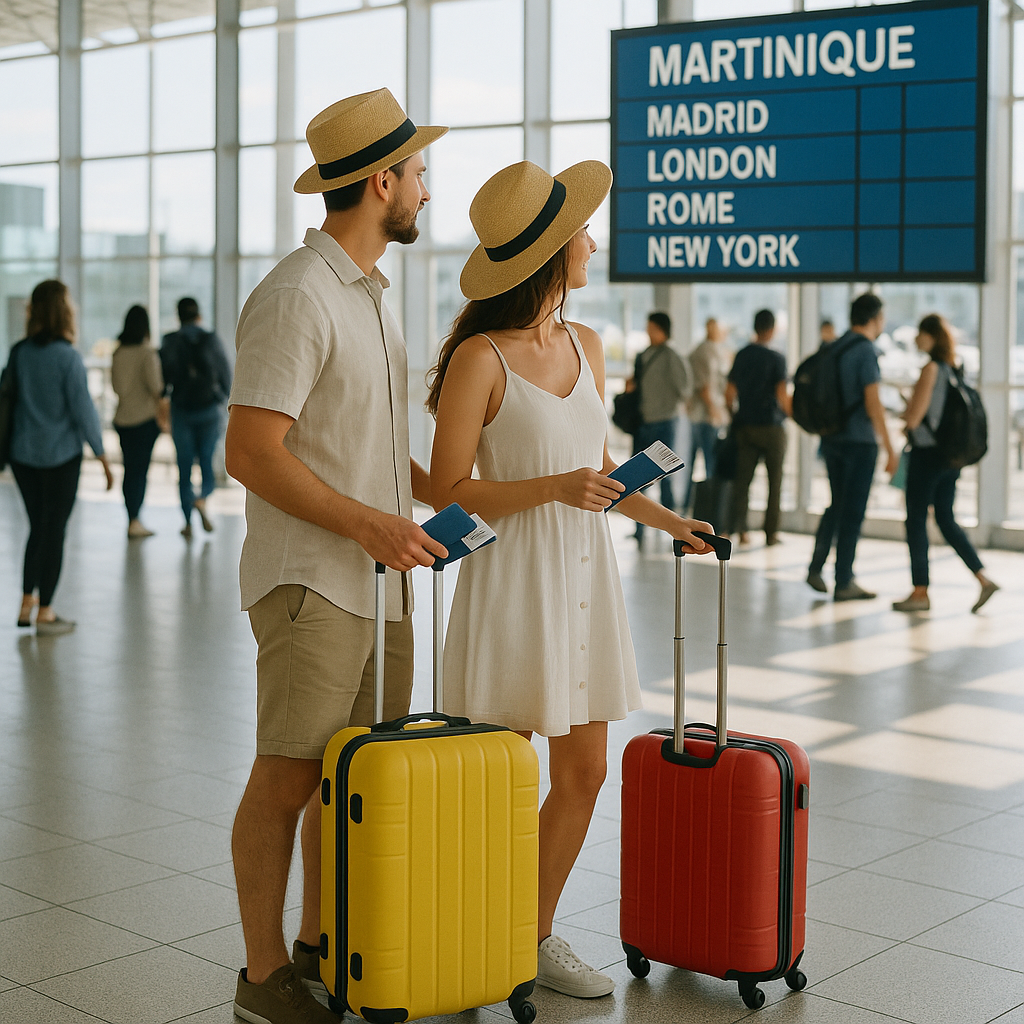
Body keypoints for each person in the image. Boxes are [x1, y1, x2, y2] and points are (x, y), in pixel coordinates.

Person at [426, 159, 713, 1001]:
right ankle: (478, 932)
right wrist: (553, 490)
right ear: (552, 250)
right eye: (582, 231)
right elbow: (448, 490)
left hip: (585, 578)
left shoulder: (588, 346)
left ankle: (532, 932)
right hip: (512, 581)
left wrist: (672, 522)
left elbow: (594, 470)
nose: (594, 241)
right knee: (503, 778)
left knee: (584, 771)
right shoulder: (481, 356)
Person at [224, 88, 448, 1024]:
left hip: (376, 580)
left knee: (343, 773)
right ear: (381, 181)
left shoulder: (371, 298)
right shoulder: (297, 295)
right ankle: (264, 972)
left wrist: (426, 492)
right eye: (419, 174)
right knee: (287, 773)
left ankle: (320, 942)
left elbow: (347, 436)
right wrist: (365, 523)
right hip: (314, 582)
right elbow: (250, 449)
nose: (428, 190)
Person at [8, 280, 113, 635]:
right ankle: (46, 611)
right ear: (64, 311)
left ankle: (26, 602)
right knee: (54, 531)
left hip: (23, 455)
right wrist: (102, 456)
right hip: (60, 457)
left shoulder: (20, 352)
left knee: (37, 527)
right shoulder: (68, 357)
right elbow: (83, 410)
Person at [892, 314, 998, 613]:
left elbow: (915, 418)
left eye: (920, 334)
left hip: (927, 456)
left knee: (915, 519)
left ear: (931, 336)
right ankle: (982, 577)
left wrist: (907, 413)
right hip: (950, 457)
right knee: (944, 518)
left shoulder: (931, 369)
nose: (915, 339)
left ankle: (920, 591)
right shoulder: (954, 369)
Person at [806, 293, 899, 601]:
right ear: (874, 318)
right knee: (853, 511)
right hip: (859, 442)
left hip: (832, 439)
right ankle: (844, 580)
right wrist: (889, 446)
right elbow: (873, 402)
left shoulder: (836, 346)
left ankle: (816, 567)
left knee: (836, 504)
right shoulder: (866, 351)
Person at [160, 297, 232, 539]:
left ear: (178, 317)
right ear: (198, 315)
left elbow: (163, 379)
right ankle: (202, 499)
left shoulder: (170, 341)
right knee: (207, 462)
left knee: (184, 467)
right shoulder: (210, 339)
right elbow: (225, 372)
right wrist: (225, 399)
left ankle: (187, 523)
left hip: (181, 410)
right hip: (209, 410)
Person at [725, 309, 789, 546]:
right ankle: (771, 534)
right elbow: (782, 395)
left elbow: (729, 394)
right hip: (772, 427)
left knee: (742, 482)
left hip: (745, 426)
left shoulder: (742, 355)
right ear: (772, 330)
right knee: (775, 482)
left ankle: (738, 530)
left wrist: (736, 415)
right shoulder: (777, 358)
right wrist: (790, 415)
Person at [628, 311, 691, 545]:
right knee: (637, 476)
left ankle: (672, 526)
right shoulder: (644, 355)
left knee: (665, 475)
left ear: (662, 330)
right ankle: (640, 529)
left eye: (651, 328)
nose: (647, 332)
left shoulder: (672, 356)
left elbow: (684, 388)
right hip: (644, 421)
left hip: (665, 421)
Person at [111, 305, 167, 538]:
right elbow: (157, 388)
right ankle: (135, 521)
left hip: (123, 419)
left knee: (128, 469)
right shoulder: (147, 353)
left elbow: (116, 387)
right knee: (140, 471)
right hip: (144, 421)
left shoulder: (118, 353)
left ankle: (131, 517)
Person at [684, 316, 730, 512]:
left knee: (694, 462)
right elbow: (705, 386)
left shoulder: (714, 349)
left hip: (701, 415)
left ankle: (692, 506)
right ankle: (711, 509)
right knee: (711, 463)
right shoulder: (706, 352)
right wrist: (715, 411)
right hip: (705, 416)